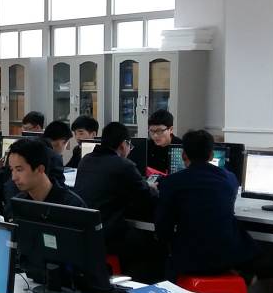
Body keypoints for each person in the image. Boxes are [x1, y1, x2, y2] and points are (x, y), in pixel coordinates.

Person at [155, 130, 258, 277]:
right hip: (226, 258)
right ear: (211, 155)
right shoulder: (230, 179)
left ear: (184, 155)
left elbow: (163, 229)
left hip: (188, 261)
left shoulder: (171, 182)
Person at [73, 122, 159, 280]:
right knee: (151, 242)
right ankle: (139, 282)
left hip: (86, 234)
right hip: (107, 236)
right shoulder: (123, 165)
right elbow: (147, 198)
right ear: (123, 144)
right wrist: (151, 188)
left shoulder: (86, 160)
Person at [6, 138, 84, 207]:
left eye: (19, 170)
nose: (14, 178)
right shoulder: (16, 204)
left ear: (40, 169)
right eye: (12, 169)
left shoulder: (72, 206)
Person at [145, 110, 179, 175]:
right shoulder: (146, 146)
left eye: (159, 131)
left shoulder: (181, 147)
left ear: (171, 129)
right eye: (151, 131)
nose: (155, 135)